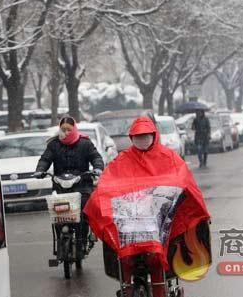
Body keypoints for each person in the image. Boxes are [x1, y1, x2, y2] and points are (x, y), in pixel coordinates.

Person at [84, 116, 210, 297]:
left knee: (156, 260)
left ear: (153, 135)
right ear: (131, 138)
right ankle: (127, 289)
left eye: (145, 136)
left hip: (159, 221)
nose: (142, 140)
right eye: (138, 136)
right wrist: (100, 197)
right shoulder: (122, 159)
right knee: (125, 259)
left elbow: (182, 179)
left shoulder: (168, 157)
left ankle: (160, 291)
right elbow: (108, 182)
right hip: (131, 221)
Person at [34, 116, 104, 252]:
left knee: (85, 208)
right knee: (57, 212)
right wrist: (40, 170)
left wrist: (97, 168)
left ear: (74, 129)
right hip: (60, 185)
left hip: (82, 184)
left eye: (68, 129)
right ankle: (60, 240)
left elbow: (95, 157)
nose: (65, 132)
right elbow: (45, 159)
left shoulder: (85, 143)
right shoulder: (54, 144)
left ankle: (85, 236)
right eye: (63, 129)